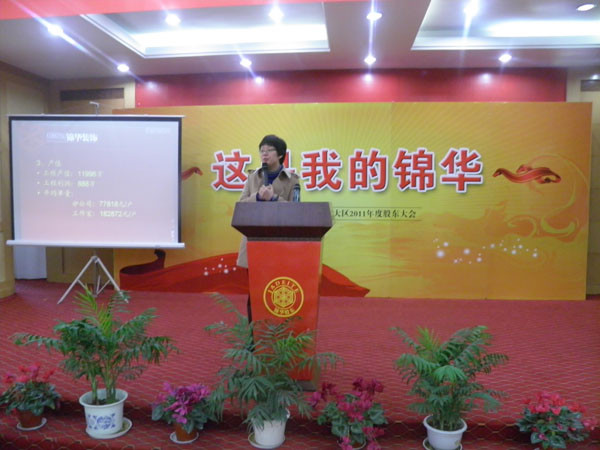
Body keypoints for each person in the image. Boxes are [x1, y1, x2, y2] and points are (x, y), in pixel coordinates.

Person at [236, 134, 301, 320]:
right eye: (262, 150)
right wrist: (257, 197)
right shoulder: (252, 178)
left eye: (269, 150)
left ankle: (278, 327)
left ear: (280, 154)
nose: (264, 154)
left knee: (278, 287)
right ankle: (253, 330)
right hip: (254, 240)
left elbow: (296, 211)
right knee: (255, 290)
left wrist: (274, 199)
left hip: (279, 241)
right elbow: (240, 206)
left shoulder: (292, 180)